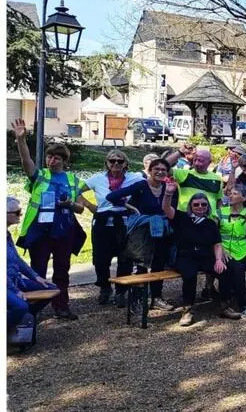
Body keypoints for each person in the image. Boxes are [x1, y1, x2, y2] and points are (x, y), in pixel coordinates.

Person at [10, 119, 88, 320]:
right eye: (49, 157)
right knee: (38, 270)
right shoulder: (40, 175)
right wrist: (21, 140)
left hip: (63, 230)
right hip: (40, 230)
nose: (51, 161)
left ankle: (61, 306)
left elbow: (81, 208)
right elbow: (26, 161)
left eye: (56, 158)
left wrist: (70, 204)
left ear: (64, 161)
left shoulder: (73, 180)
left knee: (62, 270)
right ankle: (34, 309)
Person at [162, 186, 242, 324]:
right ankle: (187, 311)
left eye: (203, 204)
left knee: (225, 270)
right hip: (186, 255)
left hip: (205, 256)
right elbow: (166, 208)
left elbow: (217, 243)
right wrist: (168, 193)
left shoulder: (210, 223)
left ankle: (224, 306)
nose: (200, 207)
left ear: (207, 206)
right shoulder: (182, 218)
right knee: (190, 275)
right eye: (196, 204)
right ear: (191, 206)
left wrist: (218, 260)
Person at [106, 158, 177, 310]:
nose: (160, 172)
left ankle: (156, 298)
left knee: (158, 264)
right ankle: (138, 300)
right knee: (140, 264)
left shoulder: (168, 188)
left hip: (161, 230)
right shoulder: (141, 185)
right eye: (156, 169)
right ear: (149, 171)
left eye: (163, 170)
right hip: (142, 231)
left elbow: (173, 207)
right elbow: (111, 197)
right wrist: (130, 207)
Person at [81, 149, 144, 305]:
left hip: (125, 221)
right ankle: (104, 287)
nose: (116, 163)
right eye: (112, 160)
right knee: (100, 259)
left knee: (125, 258)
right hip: (103, 221)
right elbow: (75, 189)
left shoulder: (134, 178)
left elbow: (150, 185)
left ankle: (121, 291)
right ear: (106, 163)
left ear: (126, 164)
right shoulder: (97, 179)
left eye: (120, 161)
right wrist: (89, 205)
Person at [7, 197, 59, 330]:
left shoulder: (6, 234)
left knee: (51, 289)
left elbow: (17, 260)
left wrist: (35, 277)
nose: (20, 215)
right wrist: (15, 290)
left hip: (16, 280)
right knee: (20, 306)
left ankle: (24, 320)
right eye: (17, 212)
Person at [215, 185, 246, 318]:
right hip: (224, 251)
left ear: (244, 198)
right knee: (238, 269)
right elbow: (213, 233)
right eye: (230, 193)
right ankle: (243, 306)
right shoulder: (220, 212)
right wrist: (221, 250)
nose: (231, 196)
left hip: (243, 250)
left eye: (235, 193)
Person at [164, 144, 232, 215]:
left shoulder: (217, 179)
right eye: (195, 160)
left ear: (209, 162)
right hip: (187, 217)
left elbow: (219, 202)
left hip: (209, 219)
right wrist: (180, 152)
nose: (196, 163)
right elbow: (163, 166)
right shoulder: (185, 174)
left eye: (200, 161)